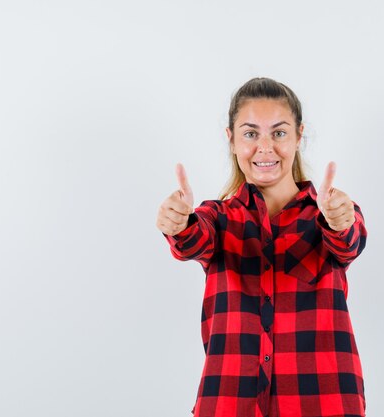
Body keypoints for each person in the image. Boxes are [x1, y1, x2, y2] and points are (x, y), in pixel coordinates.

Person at [156, 77, 368, 417]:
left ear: (299, 136)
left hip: (323, 402)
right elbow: (192, 240)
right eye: (251, 133)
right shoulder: (218, 218)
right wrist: (178, 223)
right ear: (232, 139)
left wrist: (340, 220)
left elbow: (348, 241)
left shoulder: (329, 215)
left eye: (279, 133)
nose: (265, 147)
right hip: (229, 405)